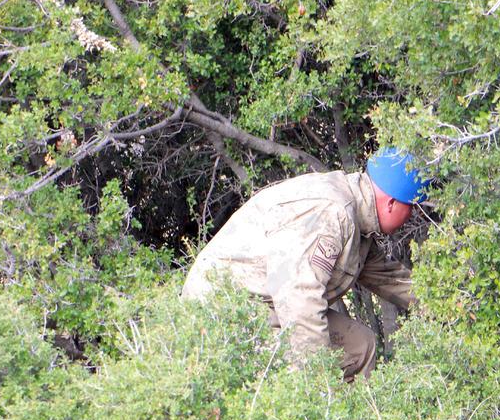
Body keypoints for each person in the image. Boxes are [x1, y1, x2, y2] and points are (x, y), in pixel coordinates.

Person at [181, 146, 431, 380]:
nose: (411, 217)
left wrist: (443, 306)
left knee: (360, 345)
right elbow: (300, 301)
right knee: (295, 374)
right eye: (411, 208)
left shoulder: (356, 216)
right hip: (228, 309)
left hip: (268, 304)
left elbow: (390, 279)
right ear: (391, 203)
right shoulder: (333, 213)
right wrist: (317, 382)